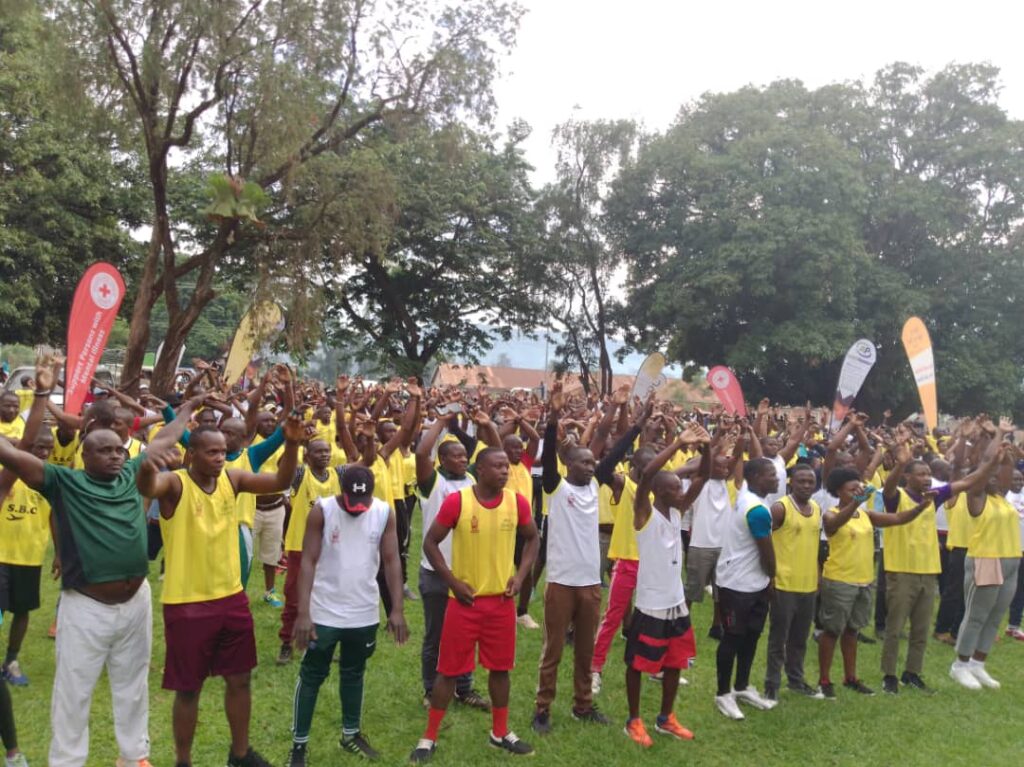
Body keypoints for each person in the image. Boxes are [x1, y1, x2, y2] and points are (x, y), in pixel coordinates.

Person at [0, 373, 188, 767]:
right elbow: (11, 454)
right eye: (106, 451)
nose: (117, 455)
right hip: (87, 605)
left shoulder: (132, 476)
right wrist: (37, 396)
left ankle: (134, 755)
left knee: (133, 683)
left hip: (136, 601)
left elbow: (169, 435)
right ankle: (67, 760)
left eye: (120, 449)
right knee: (74, 689)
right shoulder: (61, 481)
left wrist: (187, 408)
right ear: (85, 454)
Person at [137, 409, 304, 767]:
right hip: (187, 603)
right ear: (191, 453)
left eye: (223, 451)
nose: (220, 457)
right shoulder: (175, 484)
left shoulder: (233, 478)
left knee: (240, 679)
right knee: (189, 688)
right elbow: (148, 487)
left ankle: (240, 754)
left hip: (231, 598)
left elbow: (280, 479)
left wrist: (290, 444)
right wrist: (149, 464)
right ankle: (183, 760)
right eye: (211, 452)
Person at [408, 448, 539, 763]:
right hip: (464, 603)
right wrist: (452, 582)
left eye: (506, 466)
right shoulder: (458, 501)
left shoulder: (516, 502)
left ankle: (500, 732)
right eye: (497, 466)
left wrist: (520, 577)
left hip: (501, 604)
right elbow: (429, 542)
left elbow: (533, 538)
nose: (504, 471)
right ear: (480, 470)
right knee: (448, 672)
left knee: (500, 669)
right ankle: (429, 738)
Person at [286, 466, 409, 766]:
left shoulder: (382, 511)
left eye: (362, 503)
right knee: (312, 674)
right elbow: (308, 562)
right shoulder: (322, 510)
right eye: (351, 504)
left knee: (354, 672)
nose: (358, 510)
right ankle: (299, 746)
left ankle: (350, 734)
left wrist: (396, 609)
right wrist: (303, 613)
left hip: (363, 611)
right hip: (325, 611)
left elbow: (391, 561)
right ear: (341, 489)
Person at [530, 386, 633, 735]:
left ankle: (583, 705)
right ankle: (542, 708)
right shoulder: (555, 488)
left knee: (585, 651)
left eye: (593, 463)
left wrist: (628, 418)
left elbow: (610, 444)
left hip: (589, 583)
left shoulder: (593, 486)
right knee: (553, 649)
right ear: (567, 465)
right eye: (584, 462)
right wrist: (553, 417)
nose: (592, 467)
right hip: (561, 582)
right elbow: (547, 460)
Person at [879, 433, 995, 695]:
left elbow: (968, 481)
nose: (926, 477)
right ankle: (889, 675)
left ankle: (912, 673)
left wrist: (991, 463)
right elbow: (888, 487)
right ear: (908, 477)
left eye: (928, 473)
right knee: (895, 629)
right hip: (901, 571)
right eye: (920, 473)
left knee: (920, 630)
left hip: (928, 572)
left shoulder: (934, 496)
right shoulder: (896, 496)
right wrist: (899, 463)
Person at [621, 426, 706, 747]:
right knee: (638, 664)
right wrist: (677, 443)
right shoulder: (645, 513)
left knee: (675, 662)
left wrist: (707, 448)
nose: (680, 492)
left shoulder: (676, 511)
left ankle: (665, 718)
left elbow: (703, 478)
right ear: (659, 491)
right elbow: (646, 477)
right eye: (673, 488)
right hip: (651, 605)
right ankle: (633, 720)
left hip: (676, 603)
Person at [816, 467, 933, 699]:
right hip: (839, 580)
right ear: (838, 491)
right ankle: (824, 679)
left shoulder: (866, 515)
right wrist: (854, 503)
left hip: (863, 580)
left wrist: (921, 507)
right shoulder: (830, 513)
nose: (857, 492)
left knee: (852, 630)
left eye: (859, 488)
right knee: (831, 631)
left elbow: (898, 518)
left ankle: (850, 677)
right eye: (852, 489)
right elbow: (836, 523)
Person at [414, 411, 490, 711]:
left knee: (465, 634)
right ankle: (432, 689)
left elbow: (496, 454)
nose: (462, 459)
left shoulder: (472, 479)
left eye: (464, 455)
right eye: (455, 456)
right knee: (436, 635)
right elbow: (421, 452)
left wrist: (486, 426)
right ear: (442, 460)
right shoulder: (433, 483)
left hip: (467, 571)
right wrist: (441, 424)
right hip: (436, 572)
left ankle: (463, 687)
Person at [949, 430, 1020, 690]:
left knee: (995, 616)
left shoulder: (1001, 499)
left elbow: (1006, 471)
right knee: (977, 615)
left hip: (1011, 560)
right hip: (985, 559)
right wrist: (990, 461)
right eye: (988, 476)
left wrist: (1006, 451)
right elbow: (981, 476)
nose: (995, 479)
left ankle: (978, 664)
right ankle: (960, 665)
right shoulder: (976, 498)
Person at [714, 457, 778, 720]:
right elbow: (767, 552)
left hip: (755, 583)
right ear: (754, 478)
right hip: (737, 584)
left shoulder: (749, 495)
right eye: (770, 475)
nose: (776, 479)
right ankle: (723, 693)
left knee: (752, 635)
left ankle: (741, 686)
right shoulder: (757, 510)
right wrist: (773, 576)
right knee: (733, 637)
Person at [277, 438, 343, 665]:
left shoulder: (337, 474)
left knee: (325, 595)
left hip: (329, 546)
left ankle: (320, 641)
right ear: (307, 456)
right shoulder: (299, 474)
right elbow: (282, 465)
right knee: (295, 596)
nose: (324, 455)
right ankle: (287, 642)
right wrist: (294, 441)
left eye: (327, 451)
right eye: (318, 451)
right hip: (300, 546)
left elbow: (367, 461)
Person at [763, 463, 820, 700]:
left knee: (800, 637)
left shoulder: (816, 507)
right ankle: (771, 685)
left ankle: (796, 680)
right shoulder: (780, 508)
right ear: (791, 482)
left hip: (808, 584)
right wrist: (770, 576)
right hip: (784, 584)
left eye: (810, 482)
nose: (806, 485)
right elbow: (763, 541)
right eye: (801, 481)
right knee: (779, 638)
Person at [1004, 469, 1024, 639]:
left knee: (1020, 590)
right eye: (1015, 479)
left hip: (1023, 550)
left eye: (1020, 479)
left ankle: (1013, 626)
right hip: (1008, 550)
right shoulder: (1004, 497)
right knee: (1000, 590)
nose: (1018, 482)